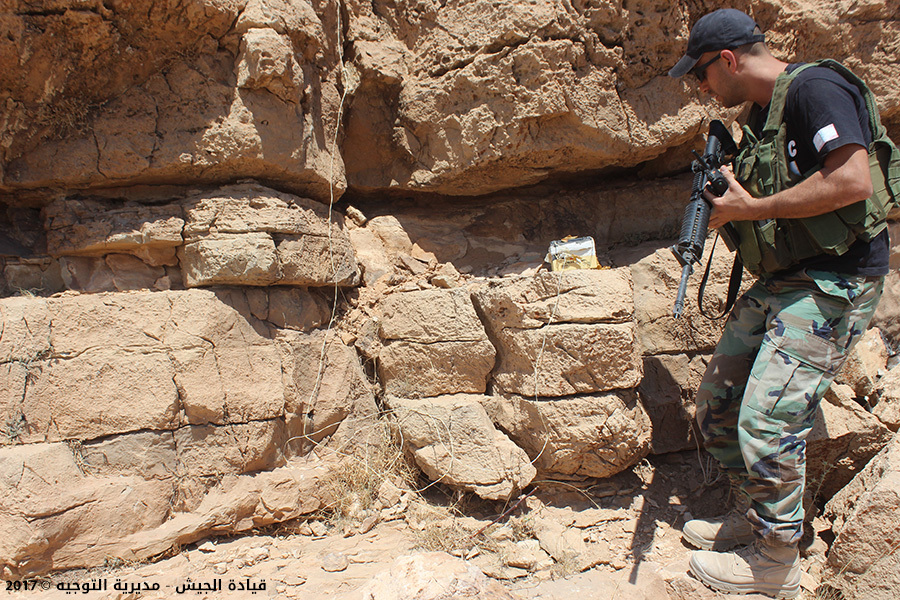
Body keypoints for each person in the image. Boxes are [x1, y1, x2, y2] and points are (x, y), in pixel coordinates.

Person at [668, 8, 900, 599]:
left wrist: (752, 209)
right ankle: (754, 519)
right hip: (787, 277)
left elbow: (852, 182)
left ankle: (775, 561)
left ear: (727, 59)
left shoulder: (815, 90)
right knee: (717, 406)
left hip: (835, 282)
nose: (701, 88)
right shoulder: (761, 115)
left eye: (700, 73)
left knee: (768, 420)